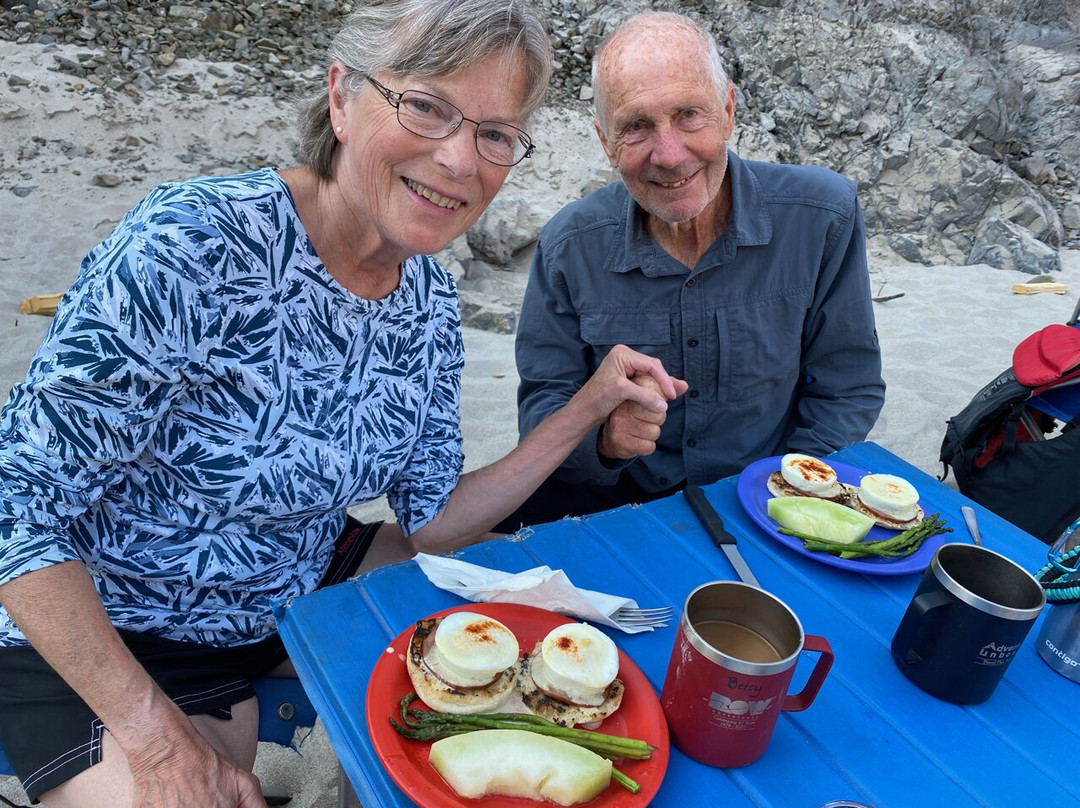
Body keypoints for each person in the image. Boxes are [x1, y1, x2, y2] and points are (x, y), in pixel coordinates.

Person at [0, 2, 686, 806]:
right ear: (341, 98)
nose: (461, 160)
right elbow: (19, 507)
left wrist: (590, 402)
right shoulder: (195, 246)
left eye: (496, 134)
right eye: (427, 106)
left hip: (288, 583)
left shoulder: (427, 299)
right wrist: (154, 739)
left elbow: (430, 518)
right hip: (114, 629)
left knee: (533, 611)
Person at [496, 11, 885, 530]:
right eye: (636, 126)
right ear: (605, 141)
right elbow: (544, 408)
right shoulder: (569, 245)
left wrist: (792, 490)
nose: (670, 154)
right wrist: (605, 443)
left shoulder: (822, 216)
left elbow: (846, 387)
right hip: (615, 502)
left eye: (689, 115)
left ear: (727, 111)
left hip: (771, 498)